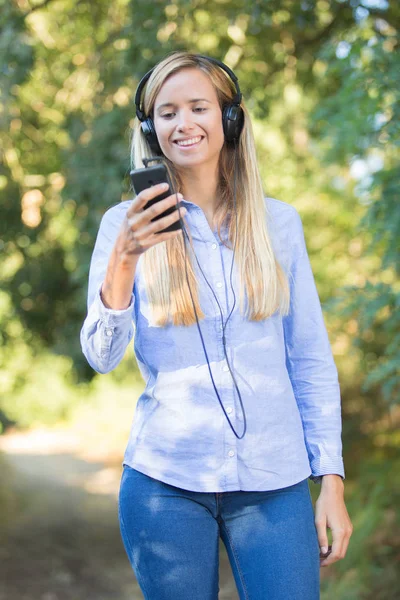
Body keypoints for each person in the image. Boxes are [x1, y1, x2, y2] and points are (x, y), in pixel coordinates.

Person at [80, 51, 353, 600]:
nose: (183, 124)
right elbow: (101, 356)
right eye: (167, 112)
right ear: (150, 128)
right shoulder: (123, 224)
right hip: (165, 484)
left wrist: (332, 483)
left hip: (275, 483)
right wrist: (126, 259)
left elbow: (309, 358)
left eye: (198, 108)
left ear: (229, 120)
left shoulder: (279, 224)